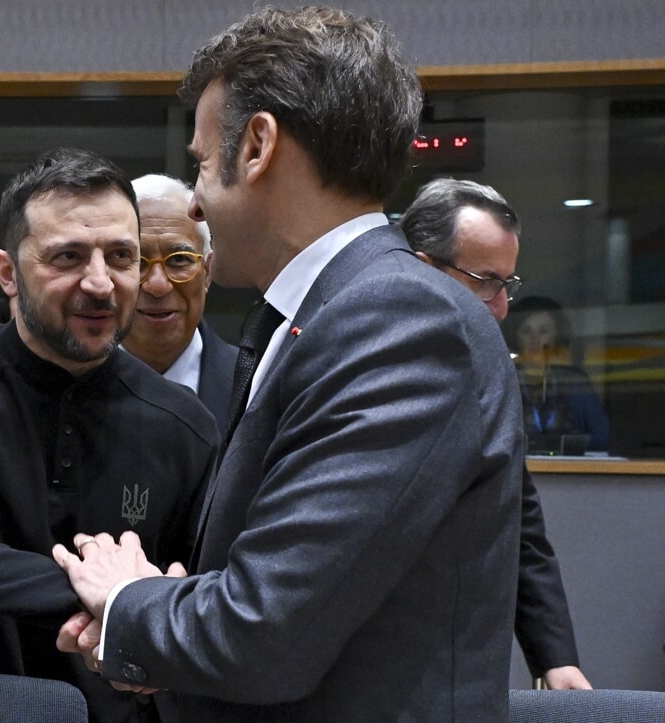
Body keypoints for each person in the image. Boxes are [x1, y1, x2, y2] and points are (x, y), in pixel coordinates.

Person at [52, 7, 525, 721]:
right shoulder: (324, 312)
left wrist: (127, 601)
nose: (194, 202)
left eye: (201, 163)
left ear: (257, 147)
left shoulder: (400, 319)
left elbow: (265, 630)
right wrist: (165, 620)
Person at [0, 147, 220, 723]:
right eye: (68, 257)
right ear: (8, 273)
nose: (101, 283)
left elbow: (199, 594)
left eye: (121, 256)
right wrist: (110, 596)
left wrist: (145, 613)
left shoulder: (184, 426)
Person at [401, 178, 594, 690]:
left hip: (458, 660)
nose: (502, 306)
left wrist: (555, 656)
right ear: (423, 269)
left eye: (507, 284)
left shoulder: (490, 371)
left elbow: (517, 516)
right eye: (485, 281)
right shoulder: (357, 357)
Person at [122, 174, 238, 433]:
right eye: (137, 262)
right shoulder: (66, 382)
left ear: (207, 272)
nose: (157, 285)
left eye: (178, 260)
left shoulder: (257, 383)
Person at [504, 296, 610, 451]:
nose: (535, 340)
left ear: (556, 336)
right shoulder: (503, 379)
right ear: (515, 336)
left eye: (543, 331)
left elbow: (601, 437)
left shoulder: (575, 380)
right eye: (526, 331)